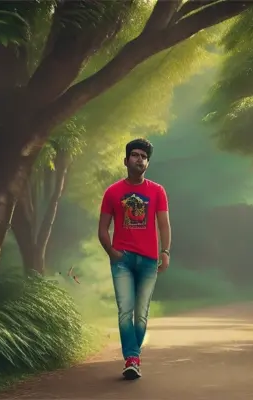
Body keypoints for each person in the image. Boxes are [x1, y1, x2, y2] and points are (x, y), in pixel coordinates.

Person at [98, 138, 171, 380]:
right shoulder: (112, 192)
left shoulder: (157, 191)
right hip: (122, 260)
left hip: (149, 260)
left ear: (147, 163)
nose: (139, 159)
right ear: (126, 160)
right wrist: (112, 252)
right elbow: (102, 229)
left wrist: (165, 252)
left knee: (141, 313)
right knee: (124, 311)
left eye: (144, 156)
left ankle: (133, 356)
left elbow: (163, 225)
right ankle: (132, 358)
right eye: (135, 155)